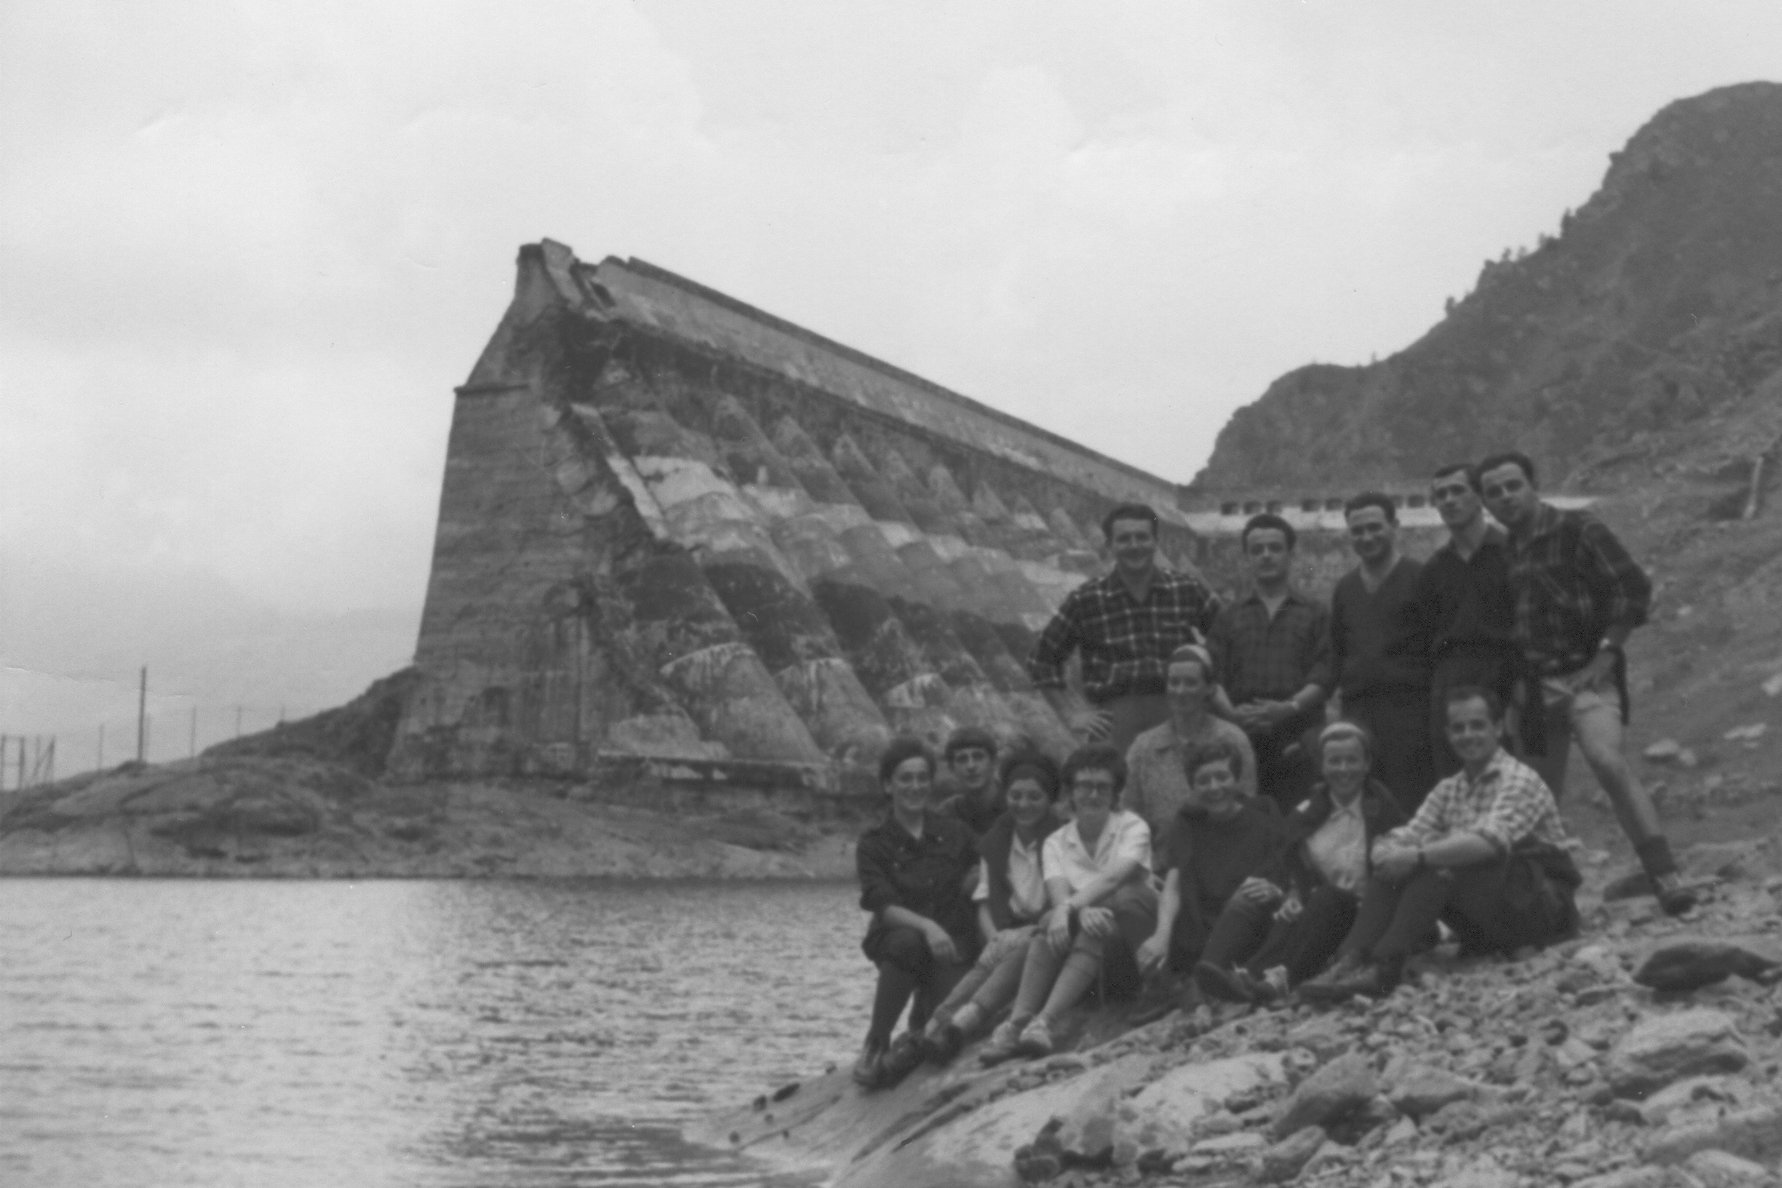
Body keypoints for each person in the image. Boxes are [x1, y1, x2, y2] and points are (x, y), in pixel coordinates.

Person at [1478, 451, 1696, 916]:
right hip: (1535, 688)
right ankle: (1547, 901)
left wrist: (1607, 652)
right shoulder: (1505, 550)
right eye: (1493, 492)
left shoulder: (1579, 529)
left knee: (1607, 761)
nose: (1505, 496)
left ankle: (1666, 876)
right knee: (1536, 796)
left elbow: (1631, 588)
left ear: (1533, 485)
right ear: (1487, 504)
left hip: (1585, 678)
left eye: (1513, 485)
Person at [1298, 686, 1582, 1003]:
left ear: (1498, 728)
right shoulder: (1450, 789)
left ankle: (1383, 965)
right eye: (1458, 728)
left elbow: (1490, 842)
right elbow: (1406, 833)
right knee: (1403, 863)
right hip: (1491, 907)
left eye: (1477, 725)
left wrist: (1418, 855)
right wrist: (1386, 852)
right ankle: (1350, 960)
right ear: (1448, 733)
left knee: (1434, 863)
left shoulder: (1519, 779)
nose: (1467, 735)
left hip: (1541, 909)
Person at [1191, 721, 1407, 1005]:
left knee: (1327, 899)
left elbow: (1395, 867)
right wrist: (1289, 894)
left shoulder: (1381, 807)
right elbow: (1290, 866)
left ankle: (1251, 977)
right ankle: (1211, 980)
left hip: (1360, 915)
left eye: (1352, 760)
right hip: (1314, 907)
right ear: (1322, 766)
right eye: (1335, 761)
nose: (1343, 769)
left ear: (1367, 764)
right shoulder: (1308, 813)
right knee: (1254, 891)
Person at [977, 744, 1158, 1064]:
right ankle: (1020, 1023)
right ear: (1071, 792)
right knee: (1054, 925)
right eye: (1084, 786)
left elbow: (1114, 880)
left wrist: (1067, 910)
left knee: (1091, 920)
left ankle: (1044, 1020)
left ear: (1116, 792)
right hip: (1088, 958)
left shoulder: (1133, 827)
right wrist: (1068, 911)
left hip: (1133, 952)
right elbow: (1057, 888)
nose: (1092, 795)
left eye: (1102, 787)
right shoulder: (1056, 842)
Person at [1029, 502, 1221, 756]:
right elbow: (1042, 659)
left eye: (1142, 537)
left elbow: (1228, 639)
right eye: (1124, 539)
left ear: (1155, 542)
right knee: (1115, 790)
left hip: (1178, 713)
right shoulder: (1087, 598)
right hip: (1114, 723)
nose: (1134, 546)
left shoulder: (1185, 589)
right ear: (1110, 546)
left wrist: (1212, 693)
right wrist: (1071, 713)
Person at [916, 751, 1065, 1064]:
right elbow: (983, 898)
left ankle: (956, 1026)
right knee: (989, 960)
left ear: (1049, 798)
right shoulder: (997, 839)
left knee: (1012, 952)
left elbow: (1062, 899)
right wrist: (995, 937)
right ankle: (935, 1025)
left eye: (1034, 796)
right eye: (1015, 795)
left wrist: (1017, 936)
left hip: (1047, 930)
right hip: (1007, 928)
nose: (1023, 804)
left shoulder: (1062, 837)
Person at [852, 737, 979, 1089]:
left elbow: (983, 876)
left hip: (951, 947)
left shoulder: (955, 833)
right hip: (901, 943)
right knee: (909, 941)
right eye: (905, 778)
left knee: (942, 1035)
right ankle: (875, 1044)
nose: (915, 786)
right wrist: (928, 927)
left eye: (923, 777)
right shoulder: (874, 842)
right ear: (887, 785)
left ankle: (912, 1035)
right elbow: (881, 903)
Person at [1136, 737, 1287, 992]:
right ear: (1193, 786)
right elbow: (1173, 885)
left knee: (1248, 894)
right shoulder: (1188, 822)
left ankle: (1203, 983)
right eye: (1203, 781)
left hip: (1251, 923)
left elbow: (1284, 871)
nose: (1213, 787)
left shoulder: (1264, 815)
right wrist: (1161, 936)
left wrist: (1276, 890)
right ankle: (1187, 982)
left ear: (1236, 779)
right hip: (1201, 928)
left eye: (1222, 777)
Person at [1207, 513, 1332, 810]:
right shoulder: (1228, 616)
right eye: (1257, 550)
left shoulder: (1315, 613)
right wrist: (1233, 716)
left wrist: (1288, 708)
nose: (1266, 556)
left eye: (1275, 548)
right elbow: (1211, 674)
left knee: (1298, 821)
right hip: (1241, 737)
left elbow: (1326, 671)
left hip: (1299, 736)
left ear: (1290, 554)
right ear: (1247, 558)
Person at [1413, 462, 1520, 778]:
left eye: (1458, 490)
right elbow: (1429, 634)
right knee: (1454, 778)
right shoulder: (1433, 570)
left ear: (1479, 497)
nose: (1449, 500)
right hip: (1451, 680)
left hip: (1506, 675)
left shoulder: (1512, 553)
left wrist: (1520, 688)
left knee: (1509, 776)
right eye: (1440, 494)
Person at [1330, 493, 1434, 811]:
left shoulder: (1421, 578)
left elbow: (1438, 646)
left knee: (1411, 803)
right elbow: (1337, 653)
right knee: (1365, 804)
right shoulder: (1345, 589)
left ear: (1395, 526)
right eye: (1357, 531)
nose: (1366, 537)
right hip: (1359, 716)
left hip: (1411, 718)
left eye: (1375, 527)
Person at [1123, 644, 1259, 841]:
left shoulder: (1233, 739)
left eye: (1190, 682)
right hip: (1161, 860)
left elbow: (1248, 808)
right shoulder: (1143, 747)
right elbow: (1129, 815)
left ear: (1209, 689)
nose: (1180, 691)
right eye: (1174, 682)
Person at [932, 725, 1003, 837]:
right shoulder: (947, 814)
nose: (971, 766)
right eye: (962, 759)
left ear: (994, 762)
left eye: (978, 757)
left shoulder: (1018, 805)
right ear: (951, 768)